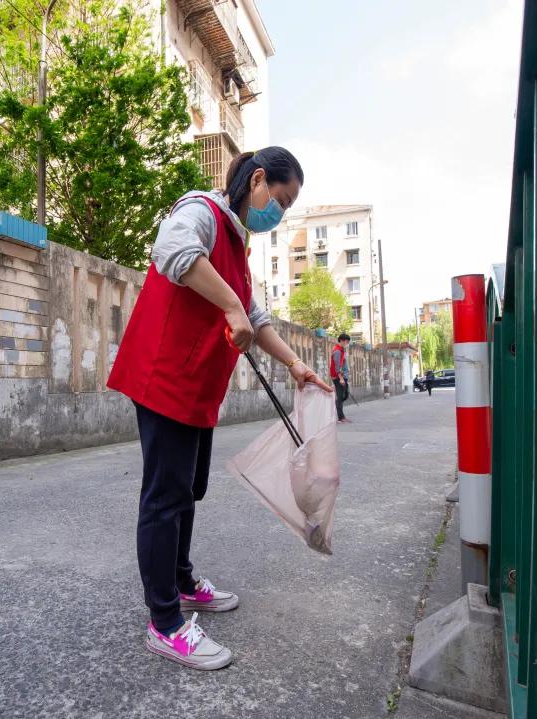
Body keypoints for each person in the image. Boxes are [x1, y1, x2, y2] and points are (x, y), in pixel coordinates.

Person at [107, 147, 333, 671]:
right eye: (281, 200)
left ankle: (182, 580)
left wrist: (295, 365)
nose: (279, 213)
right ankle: (164, 623)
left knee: (190, 489)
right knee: (165, 497)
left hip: (197, 385)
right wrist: (230, 306)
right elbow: (171, 249)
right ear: (257, 181)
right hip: (165, 377)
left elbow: (255, 315)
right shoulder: (201, 211)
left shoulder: (236, 240)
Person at [329, 333, 352, 423]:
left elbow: (342, 362)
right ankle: (341, 417)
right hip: (337, 376)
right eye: (347, 342)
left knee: (344, 395)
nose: (347, 344)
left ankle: (338, 409)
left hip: (340, 375)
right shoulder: (337, 351)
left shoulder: (341, 350)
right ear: (342, 341)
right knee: (341, 396)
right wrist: (341, 378)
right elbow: (337, 366)